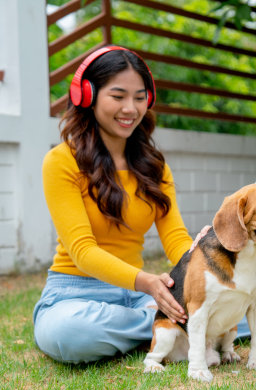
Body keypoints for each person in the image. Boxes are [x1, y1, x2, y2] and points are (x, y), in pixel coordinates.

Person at [33, 46, 192, 363]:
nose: (131, 108)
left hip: (137, 297)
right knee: (67, 333)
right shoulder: (61, 161)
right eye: (118, 96)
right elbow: (82, 251)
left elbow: (176, 238)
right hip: (74, 294)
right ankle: (167, 328)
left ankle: (166, 327)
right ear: (87, 95)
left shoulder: (154, 166)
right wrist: (148, 283)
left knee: (235, 310)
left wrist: (200, 272)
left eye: (139, 97)